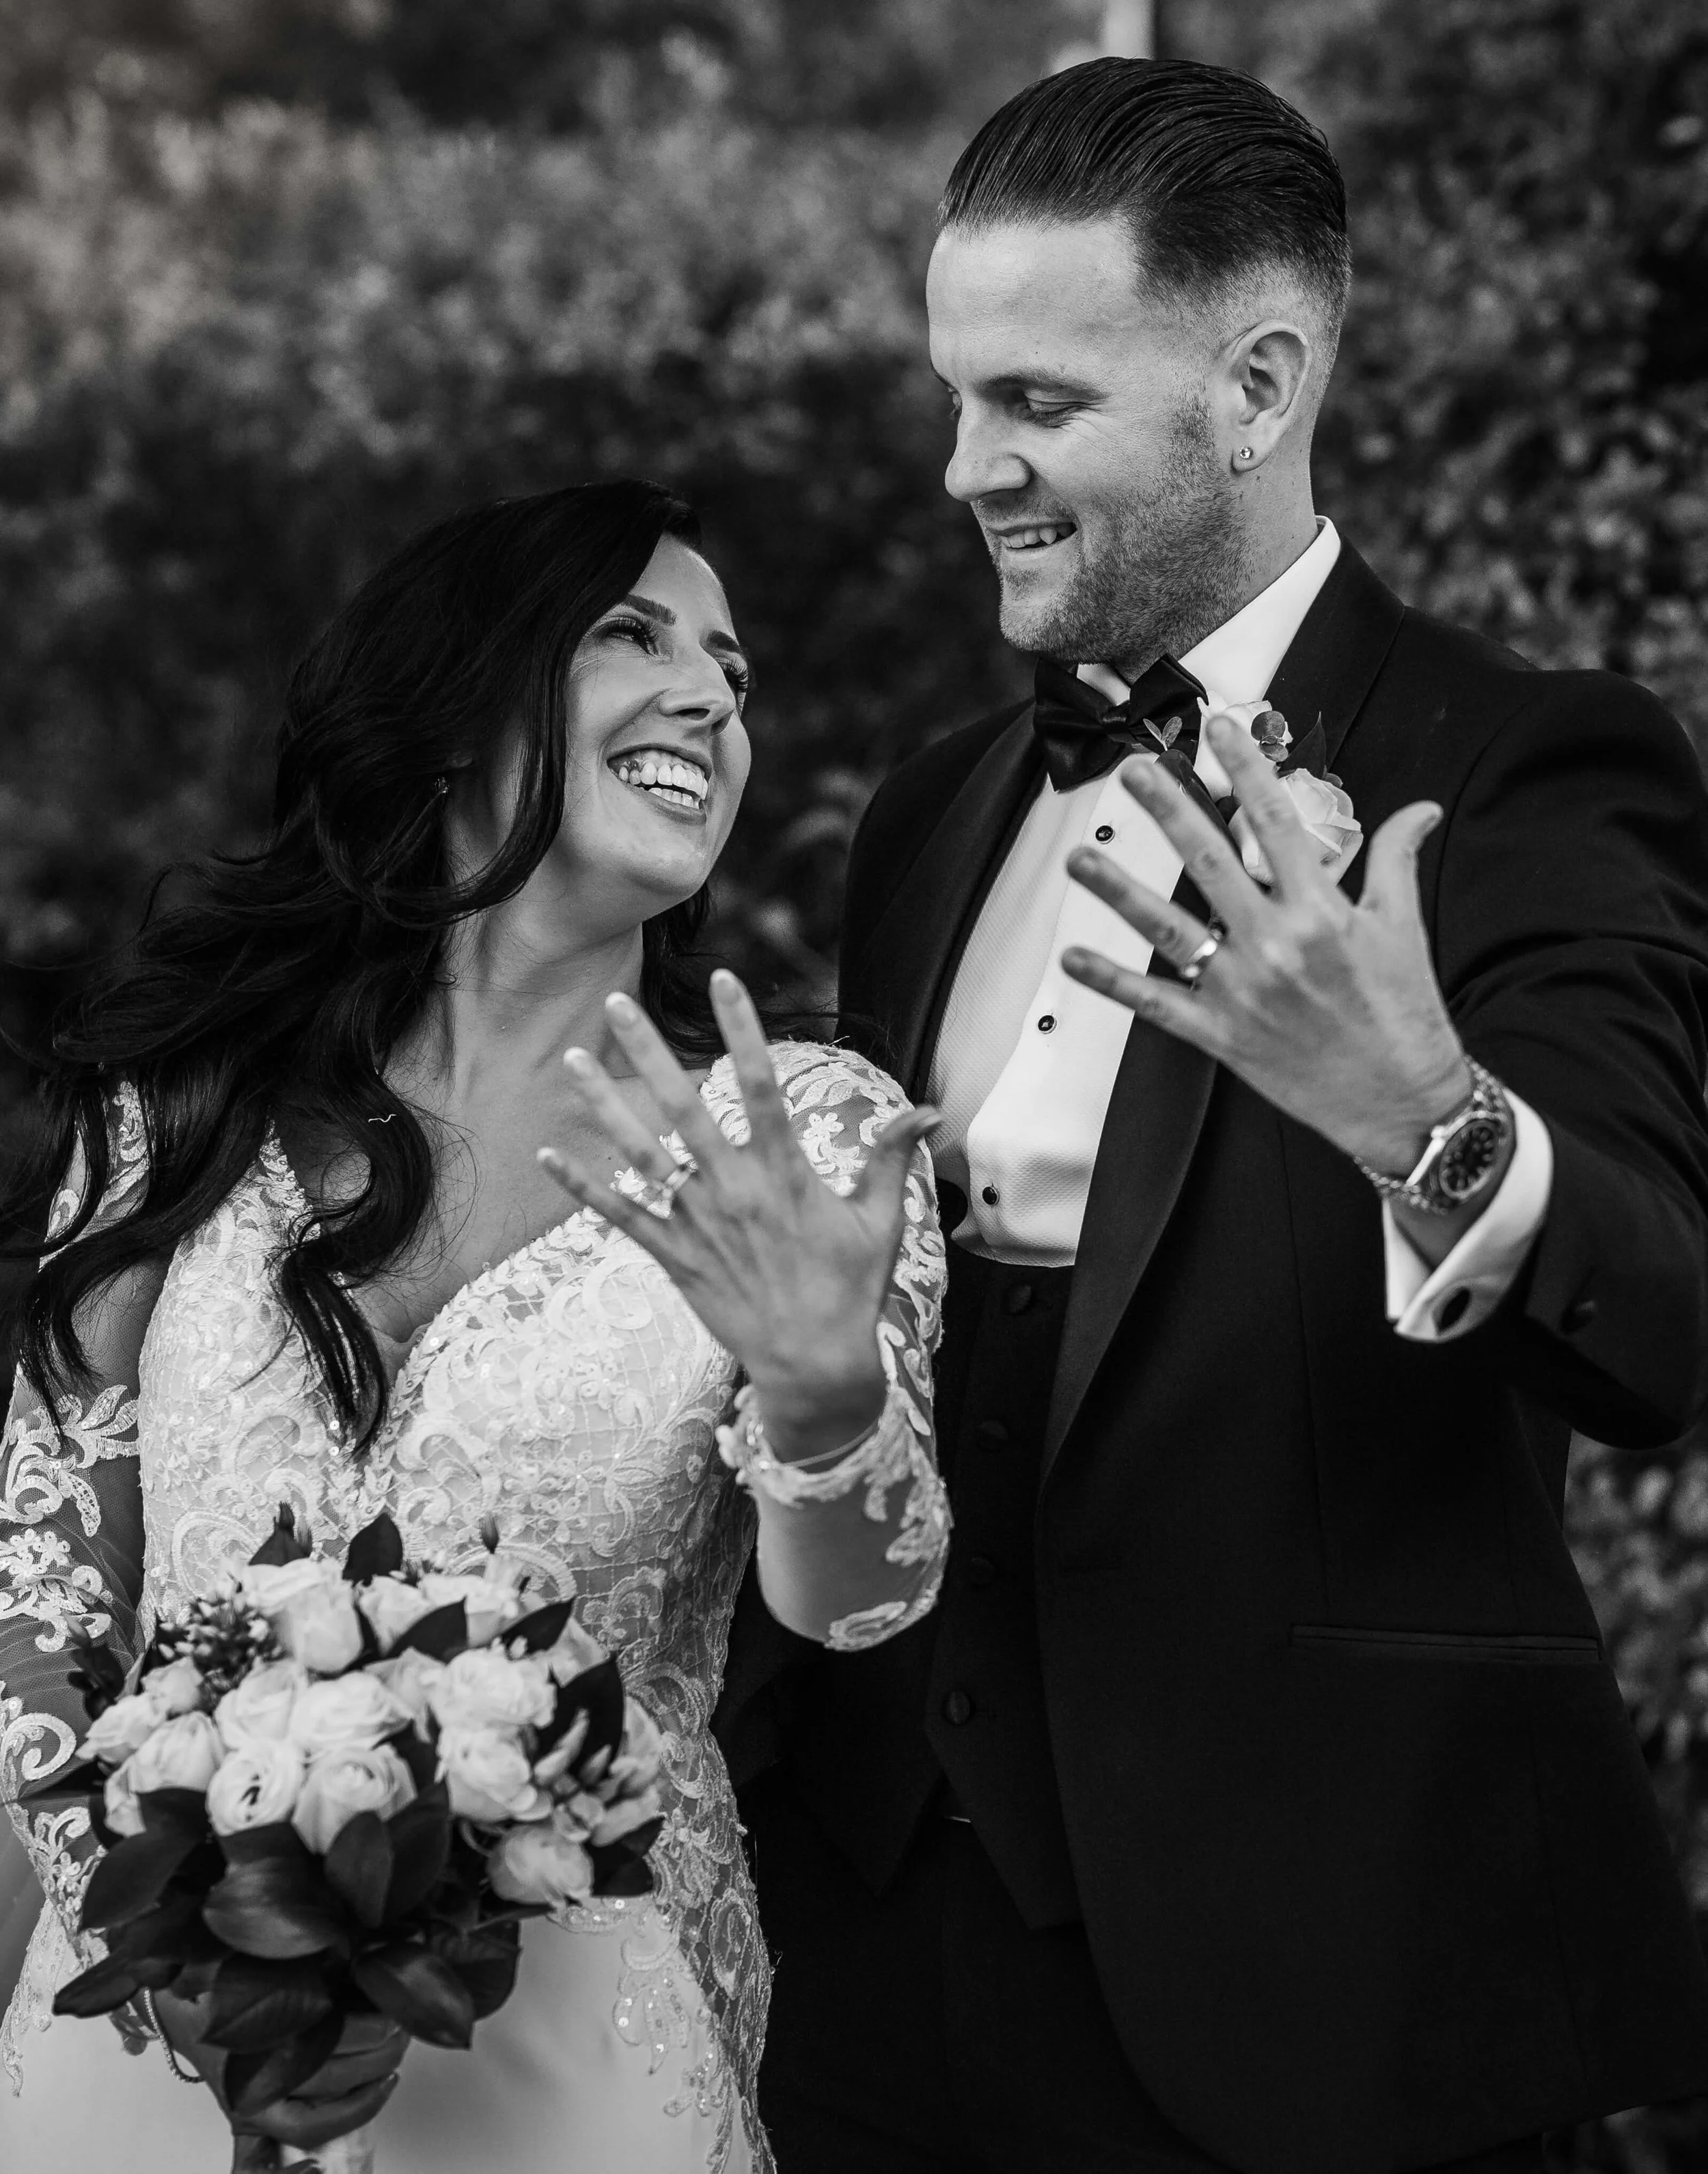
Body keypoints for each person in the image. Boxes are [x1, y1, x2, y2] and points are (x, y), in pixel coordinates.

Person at [723, 57, 1708, 2174]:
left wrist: (1419, 1116)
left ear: (1255, 389)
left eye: (1037, 405)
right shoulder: (928, 812)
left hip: (1311, 1986)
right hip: (865, 1956)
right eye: (952, 395)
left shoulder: (1525, 765)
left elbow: (1659, 1317)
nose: (964, 465)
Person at [0, 480, 949, 2174]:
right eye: (632, 634)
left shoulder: (794, 1127)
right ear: (446, 710)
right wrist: (188, 1954)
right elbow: (49, 1588)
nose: (714, 698)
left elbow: (862, 1600)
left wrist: (819, 1393)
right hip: (152, 2044)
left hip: (573, 2069)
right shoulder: (185, 1106)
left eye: (733, 669)